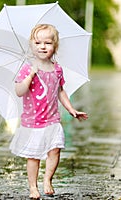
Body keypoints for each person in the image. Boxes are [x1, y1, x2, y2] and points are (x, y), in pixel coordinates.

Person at [9, 24, 88, 199]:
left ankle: (47, 180)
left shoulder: (57, 68)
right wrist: (31, 75)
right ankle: (32, 187)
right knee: (34, 157)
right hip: (33, 123)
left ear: (55, 46)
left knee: (55, 150)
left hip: (52, 120)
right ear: (31, 45)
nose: (42, 46)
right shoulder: (27, 69)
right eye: (38, 42)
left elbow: (60, 91)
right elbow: (19, 91)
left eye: (47, 43)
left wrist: (71, 109)